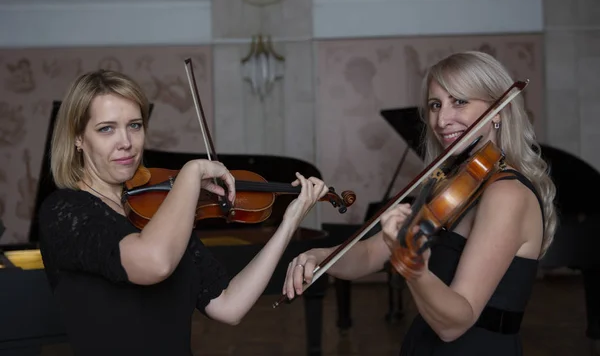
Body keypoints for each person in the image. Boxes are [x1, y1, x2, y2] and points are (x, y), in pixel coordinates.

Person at [282, 51, 557, 355]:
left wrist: (414, 269)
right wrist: (321, 257)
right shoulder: (451, 187)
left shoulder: (507, 194)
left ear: (497, 111)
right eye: (435, 105)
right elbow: (370, 254)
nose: (442, 119)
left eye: (460, 101)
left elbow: (454, 325)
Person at [38, 69, 329, 356]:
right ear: (78, 138)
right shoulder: (64, 211)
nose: (126, 142)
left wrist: (289, 223)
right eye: (106, 129)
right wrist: (192, 172)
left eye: (135, 125)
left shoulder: (160, 212)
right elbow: (154, 262)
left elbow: (229, 306)